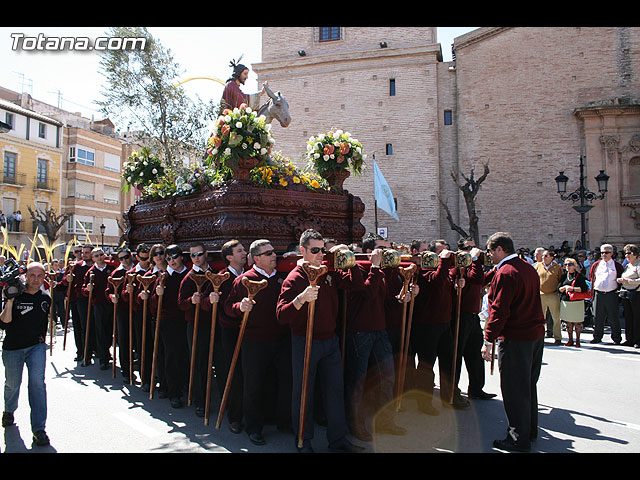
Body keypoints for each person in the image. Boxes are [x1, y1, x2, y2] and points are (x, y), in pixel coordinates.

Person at [276, 229, 365, 453]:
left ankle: (339, 440)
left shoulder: (328, 272)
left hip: (330, 341)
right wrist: (300, 299)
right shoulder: (293, 278)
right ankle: (303, 441)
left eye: (322, 250)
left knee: (335, 391)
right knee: (304, 393)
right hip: (304, 342)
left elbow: (356, 285)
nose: (320, 254)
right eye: (315, 250)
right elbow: (281, 315)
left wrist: (349, 257)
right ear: (303, 250)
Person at [481, 232, 545, 453]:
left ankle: (518, 438)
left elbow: (499, 311)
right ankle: (529, 430)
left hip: (517, 337)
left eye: (490, 251)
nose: (489, 255)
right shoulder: (527, 267)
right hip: (535, 335)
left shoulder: (506, 273)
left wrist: (488, 339)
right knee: (528, 385)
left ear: (500, 249)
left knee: (514, 389)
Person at [224, 239, 291, 446]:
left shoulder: (281, 278)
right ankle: (254, 428)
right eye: (269, 253)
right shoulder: (244, 280)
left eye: (274, 252)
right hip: (254, 342)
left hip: (280, 339)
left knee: (280, 382)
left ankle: (280, 420)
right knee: (253, 385)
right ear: (257, 258)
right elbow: (228, 307)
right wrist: (240, 307)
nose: (274, 256)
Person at [344, 233, 405, 442]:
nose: (387, 253)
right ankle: (355, 424)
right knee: (358, 380)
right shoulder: (356, 268)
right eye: (383, 249)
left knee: (387, 376)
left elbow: (385, 297)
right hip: (360, 331)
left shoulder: (383, 270)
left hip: (380, 330)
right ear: (369, 252)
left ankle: (386, 421)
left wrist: (404, 295)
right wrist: (376, 267)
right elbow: (367, 293)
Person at [410, 239, 468, 415]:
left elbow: (445, 283)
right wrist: (443, 261)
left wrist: (459, 283)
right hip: (427, 326)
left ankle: (448, 397)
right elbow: (436, 281)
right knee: (427, 366)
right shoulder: (420, 272)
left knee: (448, 363)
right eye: (429, 252)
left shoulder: (443, 270)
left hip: (444, 323)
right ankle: (424, 402)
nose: (437, 256)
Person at [0, 262, 52, 446]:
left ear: (44, 277)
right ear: (26, 277)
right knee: (12, 384)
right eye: (32, 275)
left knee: (37, 385)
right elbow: (4, 323)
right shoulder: (15, 295)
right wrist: (9, 301)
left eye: (40, 276)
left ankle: (39, 429)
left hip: (36, 348)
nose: (36, 279)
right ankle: (9, 410)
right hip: (12, 348)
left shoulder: (46, 299)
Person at [454, 238, 496, 400]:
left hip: (472, 315)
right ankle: (453, 390)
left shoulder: (471, 265)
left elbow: (480, 282)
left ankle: (476, 388)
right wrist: (476, 259)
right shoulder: (459, 265)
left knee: (475, 354)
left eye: (474, 247)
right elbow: (476, 278)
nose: (473, 250)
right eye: (469, 248)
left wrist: (494, 271)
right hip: (460, 316)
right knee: (457, 355)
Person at [150, 244, 190, 408]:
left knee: (186, 355)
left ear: (181, 257)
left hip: (187, 320)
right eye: (168, 258)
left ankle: (186, 385)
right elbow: (153, 304)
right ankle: (173, 391)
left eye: (175, 257)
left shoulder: (190, 275)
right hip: (169, 321)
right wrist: (157, 294)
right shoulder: (163, 276)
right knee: (171, 356)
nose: (172, 261)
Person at [178, 242, 214, 417]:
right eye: (193, 255)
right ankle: (201, 401)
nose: (196, 258)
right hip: (197, 325)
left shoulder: (215, 274)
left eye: (199, 254)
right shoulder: (188, 277)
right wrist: (191, 301)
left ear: (205, 254)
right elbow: (181, 303)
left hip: (215, 324)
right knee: (199, 363)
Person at [215, 239, 248, 433]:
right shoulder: (222, 278)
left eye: (244, 250)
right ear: (229, 257)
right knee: (232, 374)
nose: (244, 253)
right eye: (240, 250)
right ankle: (234, 416)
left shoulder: (249, 274)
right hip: (229, 330)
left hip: (250, 330)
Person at [82, 247, 116, 370]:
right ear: (93, 258)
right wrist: (87, 289)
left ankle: (107, 350)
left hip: (111, 304)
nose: (99, 257)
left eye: (101, 254)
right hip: (98, 304)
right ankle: (103, 358)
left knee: (110, 330)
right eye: (96, 256)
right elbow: (84, 289)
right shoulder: (91, 272)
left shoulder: (111, 269)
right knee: (100, 331)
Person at [107, 247, 136, 382]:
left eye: (126, 257)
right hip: (123, 311)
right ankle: (126, 370)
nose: (124, 260)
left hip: (138, 310)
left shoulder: (138, 270)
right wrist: (112, 296)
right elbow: (109, 291)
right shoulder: (116, 273)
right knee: (124, 341)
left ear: (131, 256)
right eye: (121, 258)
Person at [589, 244, 624, 344]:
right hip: (598, 294)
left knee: (613, 317)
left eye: (606, 252)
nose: (604, 254)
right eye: (602, 252)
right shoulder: (596, 265)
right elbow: (592, 278)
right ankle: (597, 336)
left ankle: (616, 338)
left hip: (612, 294)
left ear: (612, 253)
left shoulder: (617, 265)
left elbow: (621, 277)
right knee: (597, 317)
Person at [558, 258, 589, 347]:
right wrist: (564, 288)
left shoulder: (580, 276)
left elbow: (584, 289)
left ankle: (578, 340)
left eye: (570, 264)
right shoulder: (564, 276)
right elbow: (559, 288)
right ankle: (570, 339)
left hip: (577, 301)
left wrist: (572, 288)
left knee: (577, 322)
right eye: (566, 264)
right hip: (566, 301)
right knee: (568, 323)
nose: (567, 266)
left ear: (575, 266)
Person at [535, 250, 564, 344]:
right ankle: (539, 337)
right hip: (541, 294)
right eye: (543, 256)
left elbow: (561, 279)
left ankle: (558, 337)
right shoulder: (538, 266)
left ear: (552, 257)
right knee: (540, 318)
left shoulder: (557, 267)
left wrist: (559, 290)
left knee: (556, 317)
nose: (544, 257)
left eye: (546, 256)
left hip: (553, 294)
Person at [618, 244, 640, 347]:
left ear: (635, 254)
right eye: (626, 253)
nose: (627, 255)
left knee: (637, 317)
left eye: (629, 253)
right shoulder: (628, 266)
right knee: (628, 317)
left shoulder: (638, 265)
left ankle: (637, 340)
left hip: (636, 294)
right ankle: (629, 339)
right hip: (627, 294)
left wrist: (628, 281)